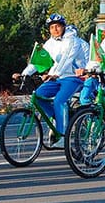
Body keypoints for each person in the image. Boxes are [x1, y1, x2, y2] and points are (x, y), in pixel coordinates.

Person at [12, 13, 87, 148]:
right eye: (52, 27)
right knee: (38, 96)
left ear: (63, 27)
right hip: (56, 77)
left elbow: (66, 59)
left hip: (73, 77)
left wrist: (56, 74)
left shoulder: (73, 40)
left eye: (57, 26)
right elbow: (38, 62)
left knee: (59, 100)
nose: (55, 30)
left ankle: (63, 137)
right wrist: (24, 74)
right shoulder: (50, 43)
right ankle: (59, 118)